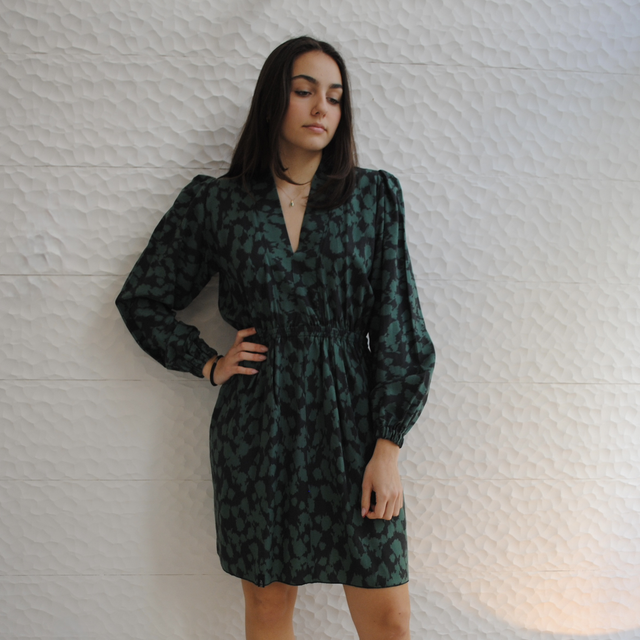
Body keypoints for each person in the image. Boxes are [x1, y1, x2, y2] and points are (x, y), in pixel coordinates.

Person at [116, 35, 435, 640]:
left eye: (335, 97)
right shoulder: (219, 203)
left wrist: (388, 448)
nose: (321, 108)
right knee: (267, 608)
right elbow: (142, 300)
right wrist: (208, 362)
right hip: (257, 425)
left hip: (354, 426)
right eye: (304, 91)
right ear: (273, 100)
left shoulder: (373, 198)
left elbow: (400, 326)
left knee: (389, 618)